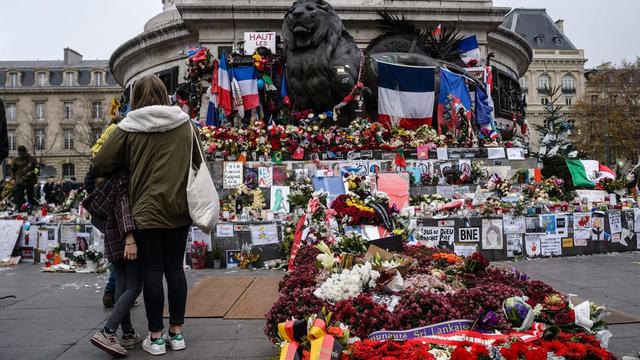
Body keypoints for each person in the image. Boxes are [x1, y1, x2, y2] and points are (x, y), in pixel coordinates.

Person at [93, 75, 195, 356]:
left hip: (145, 209)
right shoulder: (184, 123)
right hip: (179, 206)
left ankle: (157, 337)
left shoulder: (129, 127)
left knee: (152, 270)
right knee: (175, 268)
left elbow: (101, 163)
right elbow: (196, 160)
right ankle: (177, 333)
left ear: (136, 97)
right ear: (165, 94)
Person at [85, 120, 142, 357]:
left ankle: (127, 334)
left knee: (120, 282)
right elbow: (124, 206)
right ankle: (108, 330)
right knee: (134, 285)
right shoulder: (122, 175)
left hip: (109, 232)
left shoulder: (101, 173)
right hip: (122, 234)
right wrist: (130, 237)